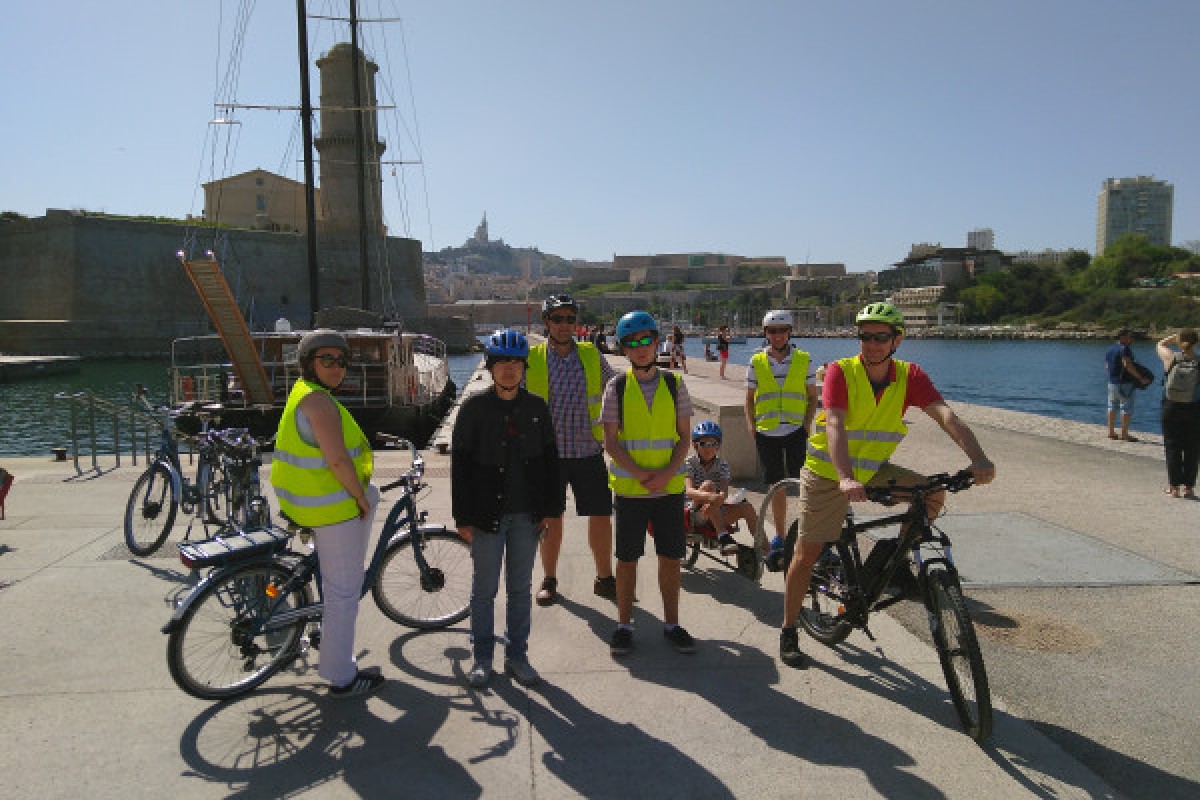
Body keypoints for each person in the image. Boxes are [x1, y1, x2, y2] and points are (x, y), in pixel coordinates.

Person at [778, 302, 996, 667]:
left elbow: (946, 416)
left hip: (872, 470)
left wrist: (979, 458)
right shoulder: (839, 372)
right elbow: (833, 425)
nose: (872, 344)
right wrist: (845, 477)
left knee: (931, 494)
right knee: (807, 554)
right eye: (865, 336)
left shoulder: (910, 376)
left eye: (881, 337)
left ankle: (894, 565)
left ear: (897, 340)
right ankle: (788, 629)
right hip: (828, 472)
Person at [269, 329, 384, 697]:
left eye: (341, 361)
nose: (337, 367)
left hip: (304, 502)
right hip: (331, 510)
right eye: (327, 360)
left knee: (336, 579)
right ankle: (340, 675)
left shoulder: (301, 394)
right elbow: (336, 459)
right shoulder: (319, 403)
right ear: (309, 363)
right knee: (343, 593)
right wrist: (359, 498)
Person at [452, 329, 563, 688]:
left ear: (524, 368)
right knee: (484, 591)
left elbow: (550, 461)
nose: (509, 369)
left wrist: (551, 508)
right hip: (486, 515)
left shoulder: (536, 407)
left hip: (526, 514)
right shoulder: (473, 409)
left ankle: (517, 655)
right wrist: (463, 517)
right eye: (502, 362)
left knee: (519, 588)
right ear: (491, 366)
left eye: (516, 362)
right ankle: (482, 656)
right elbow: (461, 467)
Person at [601, 310, 696, 656]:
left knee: (670, 558)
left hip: (669, 490)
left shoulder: (675, 384)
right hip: (630, 490)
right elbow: (611, 442)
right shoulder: (617, 386)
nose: (641, 349)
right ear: (623, 349)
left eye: (646, 341)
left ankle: (672, 624)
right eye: (632, 343)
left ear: (657, 342)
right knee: (627, 560)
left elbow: (685, 437)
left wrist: (668, 474)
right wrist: (641, 475)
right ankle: (624, 625)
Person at [525, 294, 618, 605]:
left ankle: (604, 577)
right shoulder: (533, 357)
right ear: (546, 322)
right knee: (550, 519)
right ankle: (549, 579)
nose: (565, 325)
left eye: (570, 319)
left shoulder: (591, 354)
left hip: (588, 450)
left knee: (601, 516)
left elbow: (616, 388)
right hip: (548, 455)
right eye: (558, 319)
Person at [744, 309, 818, 544]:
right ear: (766, 333)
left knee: (803, 484)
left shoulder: (804, 359)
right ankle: (780, 535)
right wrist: (751, 426)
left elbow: (812, 396)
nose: (778, 336)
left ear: (789, 332)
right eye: (772, 331)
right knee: (775, 486)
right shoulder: (756, 361)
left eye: (782, 331)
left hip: (796, 430)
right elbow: (749, 397)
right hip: (766, 431)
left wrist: (807, 424)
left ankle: (807, 534)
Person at [684, 421, 758, 555]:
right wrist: (710, 497)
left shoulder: (722, 464)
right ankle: (723, 536)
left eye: (713, 444)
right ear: (695, 445)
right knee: (708, 485)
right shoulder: (689, 463)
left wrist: (717, 500)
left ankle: (766, 551)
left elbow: (723, 492)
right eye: (703, 444)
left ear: (718, 446)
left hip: (714, 509)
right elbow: (689, 491)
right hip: (695, 512)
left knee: (747, 507)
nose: (709, 448)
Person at [1155, 329, 1200, 499]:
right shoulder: (1199, 362)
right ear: (1196, 343)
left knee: (1172, 446)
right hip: (1194, 407)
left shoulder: (1171, 357)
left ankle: (1173, 487)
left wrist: (1174, 338)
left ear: (1180, 342)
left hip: (1171, 407)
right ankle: (1188, 488)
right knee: (1192, 448)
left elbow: (1159, 344)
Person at [1105, 328, 1141, 442]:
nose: (1132, 339)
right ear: (1122, 337)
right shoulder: (1125, 349)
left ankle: (1111, 431)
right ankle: (1124, 434)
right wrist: (1140, 377)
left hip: (1112, 382)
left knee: (1111, 406)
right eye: (1130, 337)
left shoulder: (1110, 349)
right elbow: (1127, 365)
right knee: (1126, 408)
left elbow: (1107, 366)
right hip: (1125, 383)